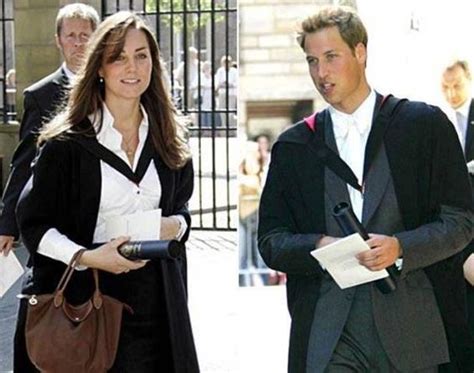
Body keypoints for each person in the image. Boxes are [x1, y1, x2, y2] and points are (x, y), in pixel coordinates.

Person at [258, 6, 474, 373]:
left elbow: (461, 222)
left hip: (416, 329)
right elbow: (271, 240)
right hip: (330, 332)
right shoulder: (294, 147)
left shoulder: (424, 127)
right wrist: (318, 247)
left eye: (331, 57)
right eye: (312, 60)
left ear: (361, 52)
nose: (321, 73)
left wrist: (401, 248)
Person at [14, 11, 199, 373]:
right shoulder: (66, 143)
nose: (132, 67)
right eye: (119, 57)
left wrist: (174, 226)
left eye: (141, 55)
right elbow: (33, 226)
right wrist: (88, 256)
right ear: (100, 66)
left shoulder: (169, 139)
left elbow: (183, 212)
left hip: (157, 306)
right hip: (85, 305)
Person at [0, 3, 99, 256]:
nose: (78, 43)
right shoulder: (40, 96)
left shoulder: (113, 88)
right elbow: (24, 161)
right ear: (58, 41)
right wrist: (7, 223)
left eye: (84, 36)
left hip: (104, 211)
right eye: (71, 36)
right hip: (60, 217)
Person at [441, 59, 474, 362]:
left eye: (457, 86)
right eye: (445, 87)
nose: (451, 93)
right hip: (456, 239)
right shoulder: (438, 123)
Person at [215, 55, 237, 127]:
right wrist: (222, 84)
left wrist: (230, 84)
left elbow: (236, 83)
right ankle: (224, 126)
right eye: (225, 62)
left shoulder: (234, 71)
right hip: (222, 93)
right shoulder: (220, 71)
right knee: (222, 111)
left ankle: (231, 126)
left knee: (231, 111)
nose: (226, 64)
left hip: (232, 93)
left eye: (228, 62)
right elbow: (217, 83)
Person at [175, 46, 199, 110]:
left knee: (197, 108)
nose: (194, 56)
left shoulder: (198, 64)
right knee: (187, 108)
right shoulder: (183, 65)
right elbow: (177, 77)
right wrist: (181, 86)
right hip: (187, 89)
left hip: (196, 89)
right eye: (193, 54)